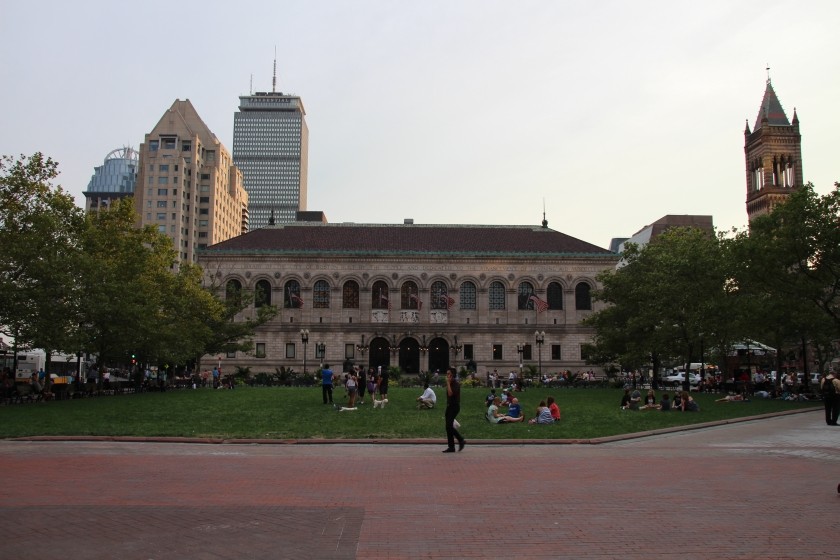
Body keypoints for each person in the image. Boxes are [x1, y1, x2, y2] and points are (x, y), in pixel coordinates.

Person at [443, 368, 465, 453]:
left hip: (454, 407)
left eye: (448, 374)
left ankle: (461, 440)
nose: (447, 375)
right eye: (447, 374)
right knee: (448, 427)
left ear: (452, 375)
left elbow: (450, 393)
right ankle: (451, 447)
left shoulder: (456, 384)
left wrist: (448, 383)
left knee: (449, 426)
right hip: (449, 407)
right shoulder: (451, 383)